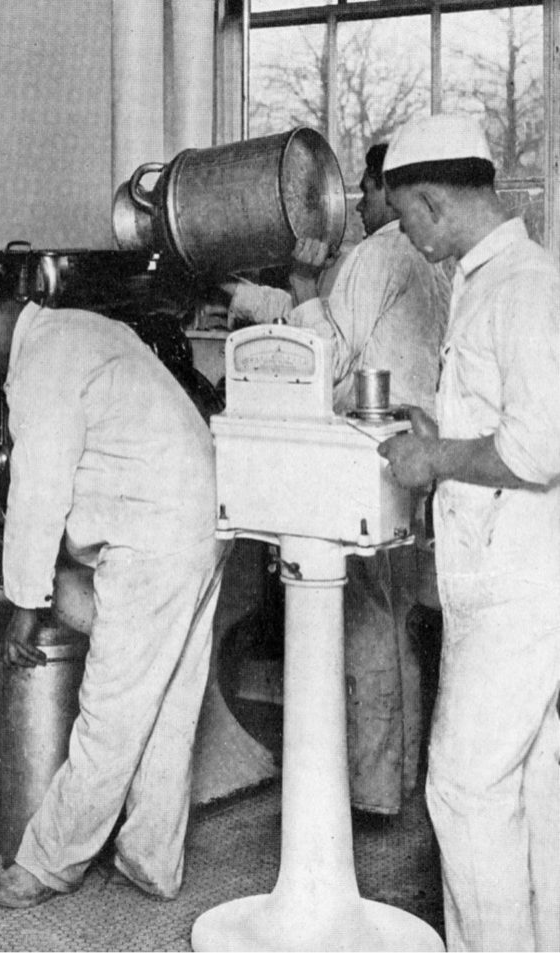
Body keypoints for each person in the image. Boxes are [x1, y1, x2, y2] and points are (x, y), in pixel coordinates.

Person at [0, 260, 224, 909]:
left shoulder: (44, 363)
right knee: (166, 707)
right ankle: (150, 860)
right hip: (199, 519)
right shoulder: (78, 329)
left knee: (109, 713)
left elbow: (39, 492)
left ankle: (46, 864)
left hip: (154, 538)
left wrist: (25, 606)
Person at [377, 113, 560, 951]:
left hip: (517, 584)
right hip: (510, 573)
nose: (405, 235)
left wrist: (434, 457)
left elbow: (538, 447)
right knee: (529, 785)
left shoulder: (520, 286)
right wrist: (441, 426)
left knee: (462, 788)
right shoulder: (490, 280)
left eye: (403, 217)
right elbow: (508, 414)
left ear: (431, 202)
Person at [233, 143, 453, 816]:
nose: (357, 202)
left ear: (393, 188)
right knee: (397, 620)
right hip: (417, 449)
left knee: (363, 620)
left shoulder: (379, 252)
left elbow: (325, 354)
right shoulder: (436, 259)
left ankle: (368, 790)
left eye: (366, 187)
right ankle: (395, 778)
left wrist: (301, 285)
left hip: (367, 455)